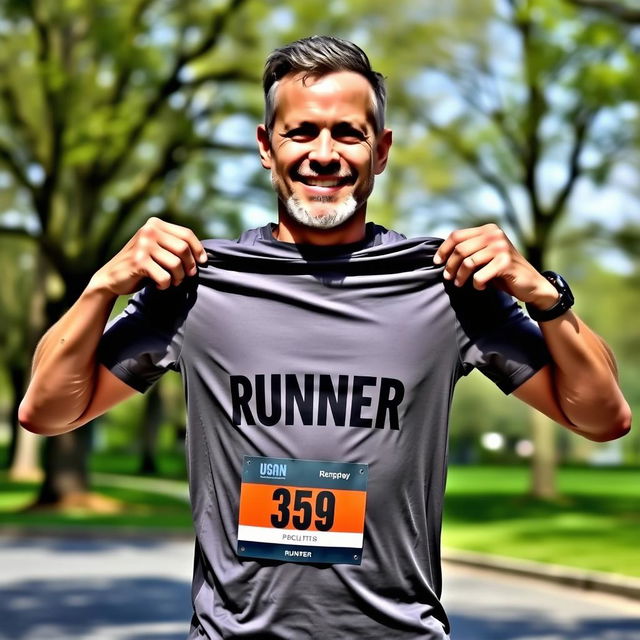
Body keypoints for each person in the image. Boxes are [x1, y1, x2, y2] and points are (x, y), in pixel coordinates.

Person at [19, 35, 631, 639]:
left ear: (382, 150)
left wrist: (547, 298)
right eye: (301, 131)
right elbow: (47, 412)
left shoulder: (448, 285)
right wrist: (102, 286)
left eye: (349, 133)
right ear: (265, 146)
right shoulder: (195, 285)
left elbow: (602, 419)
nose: (324, 153)